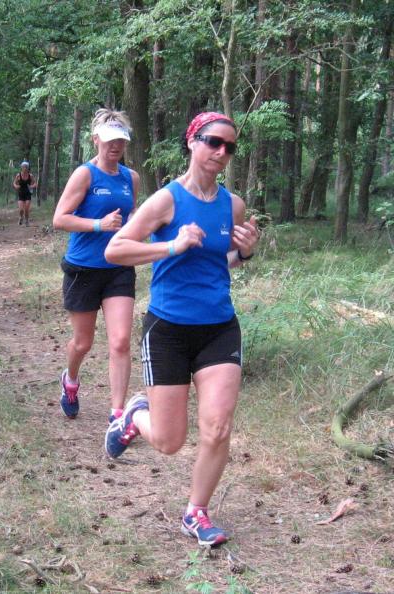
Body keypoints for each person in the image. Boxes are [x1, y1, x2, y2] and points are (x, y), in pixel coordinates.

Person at [102, 112, 259, 546]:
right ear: (192, 141)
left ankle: (196, 512)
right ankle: (135, 416)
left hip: (219, 327)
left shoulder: (233, 205)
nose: (221, 152)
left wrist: (244, 254)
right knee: (170, 442)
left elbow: (220, 261)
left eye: (229, 146)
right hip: (168, 329)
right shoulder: (165, 200)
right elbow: (116, 250)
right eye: (213, 141)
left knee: (218, 427)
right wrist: (172, 245)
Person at [52, 108, 140, 425]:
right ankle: (70, 379)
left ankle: (117, 415)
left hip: (118, 268)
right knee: (83, 343)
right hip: (84, 269)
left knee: (120, 341)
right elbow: (60, 218)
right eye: (109, 140)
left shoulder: (131, 178)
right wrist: (98, 224)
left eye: (121, 140)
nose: (115, 146)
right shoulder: (85, 175)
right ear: (96, 140)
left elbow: (132, 217)